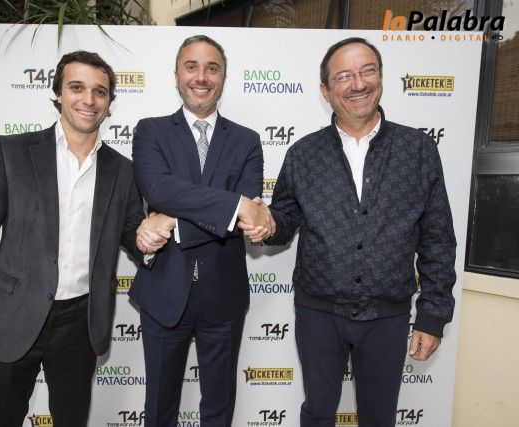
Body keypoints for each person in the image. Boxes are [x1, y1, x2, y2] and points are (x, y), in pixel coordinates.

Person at [243, 37, 457, 427]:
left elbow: (438, 238)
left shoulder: (418, 150)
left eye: (367, 71)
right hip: (318, 315)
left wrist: (432, 316)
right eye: (344, 76)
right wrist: (266, 224)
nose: (358, 84)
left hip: (388, 317)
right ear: (325, 91)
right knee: (318, 412)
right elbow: (285, 222)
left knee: (379, 418)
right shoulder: (303, 154)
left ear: (381, 78)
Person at [0, 51, 150, 427]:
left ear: (109, 102)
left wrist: (155, 231)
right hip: (10, 314)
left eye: (100, 92)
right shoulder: (12, 152)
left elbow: (135, 236)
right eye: (77, 87)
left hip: (80, 324)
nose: (88, 100)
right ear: (58, 94)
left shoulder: (123, 170)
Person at [129, 34, 273, 426]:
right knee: (159, 409)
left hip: (223, 296)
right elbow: (158, 189)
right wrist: (232, 205)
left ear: (223, 76)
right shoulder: (150, 131)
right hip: (163, 294)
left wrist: (171, 219)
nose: (201, 77)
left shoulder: (246, 141)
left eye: (212, 68)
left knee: (219, 409)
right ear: (177, 74)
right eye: (191, 66)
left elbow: (245, 217)